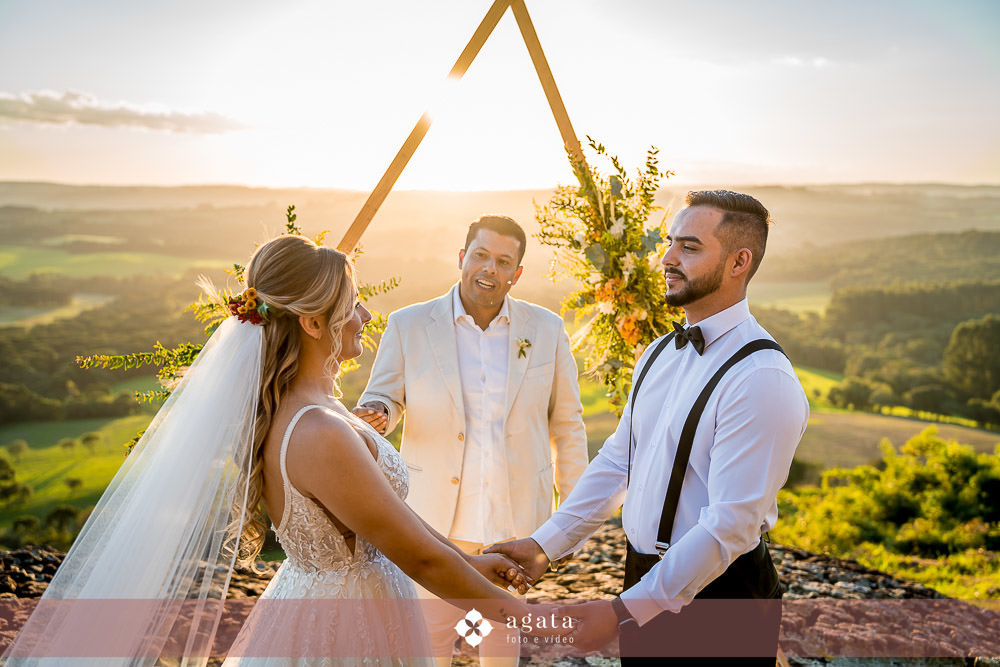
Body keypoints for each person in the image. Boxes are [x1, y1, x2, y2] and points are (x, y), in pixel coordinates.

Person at [4, 234, 535, 667]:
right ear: (311, 322)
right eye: (351, 306)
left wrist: (471, 560)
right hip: (347, 633)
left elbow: (391, 522)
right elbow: (414, 554)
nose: (366, 316)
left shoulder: (306, 408)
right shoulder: (319, 431)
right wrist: (532, 621)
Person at [487, 190, 810, 664]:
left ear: (740, 261)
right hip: (642, 580)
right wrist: (545, 546)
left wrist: (622, 610)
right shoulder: (658, 353)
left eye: (690, 247)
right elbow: (620, 460)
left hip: (723, 597)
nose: (668, 258)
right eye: (670, 242)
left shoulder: (762, 378)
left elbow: (731, 526)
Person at [352, 214, 589, 666]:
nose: (489, 269)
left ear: (517, 273)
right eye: (480, 255)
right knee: (432, 643)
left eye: (503, 261)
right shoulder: (408, 324)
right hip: (435, 524)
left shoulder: (547, 329)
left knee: (500, 646)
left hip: (515, 526)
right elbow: (383, 395)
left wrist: (570, 521)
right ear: (462, 257)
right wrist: (381, 411)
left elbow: (568, 424)